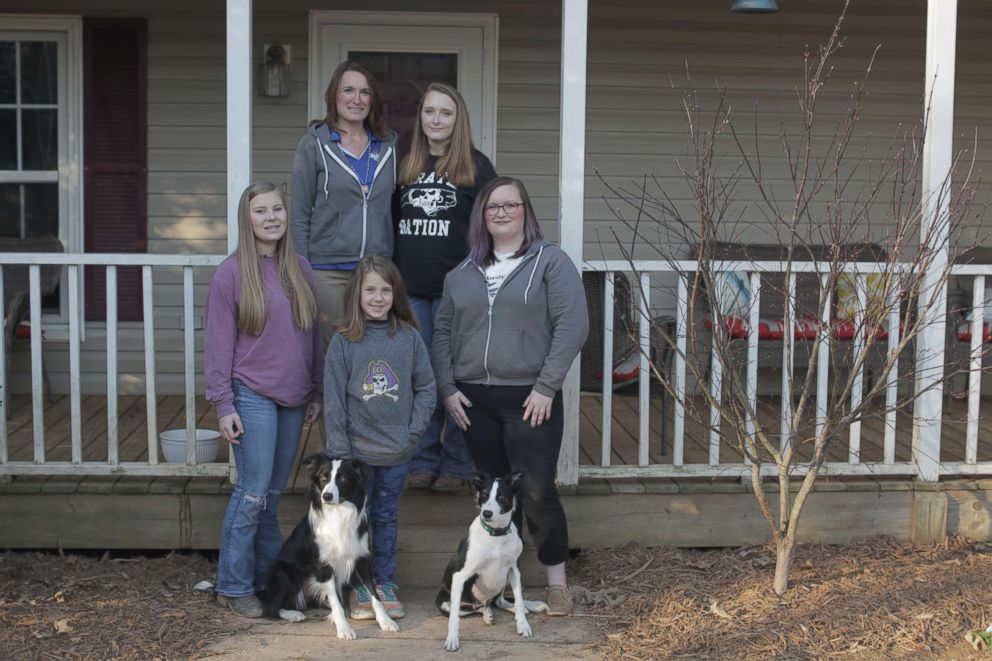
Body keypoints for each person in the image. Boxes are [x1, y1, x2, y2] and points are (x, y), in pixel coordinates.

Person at [432, 176, 589, 616]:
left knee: (537, 490)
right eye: (492, 207)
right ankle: (499, 587)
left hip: (529, 399)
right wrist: (447, 388)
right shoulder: (461, 273)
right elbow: (442, 332)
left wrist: (546, 386)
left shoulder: (550, 262)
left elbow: (572, 327)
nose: (502, 213)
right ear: (481, 217)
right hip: (473, 400)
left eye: (510, 205)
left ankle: (557, 581)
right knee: (493, 495)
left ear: (525, 211)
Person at [205, 181, 323, 618]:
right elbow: (217, 346)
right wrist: (223, 404)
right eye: (260, 211)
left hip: (294, 397)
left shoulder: (300, 269)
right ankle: (233, 586)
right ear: (247, 219)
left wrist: (316, 390)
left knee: (272, 496)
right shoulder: (231, 274)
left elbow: (312, 339)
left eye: (277, 209)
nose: (271, 217)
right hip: (250, 393)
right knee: (252, 495)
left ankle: (267, 583)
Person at [394, 82, 497, 492]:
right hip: (410, 291)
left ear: (458, 120)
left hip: (459, 292)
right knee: (420, 377)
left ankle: (457, 463)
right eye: (430, 112)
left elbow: (494, 224)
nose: (436, 120)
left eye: (446, 113)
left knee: (456, 377)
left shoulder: (476, 166)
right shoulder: (404, 164)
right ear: (421, 118)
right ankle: (421, 460)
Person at [324, 254, 436, 621]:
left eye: (385, 290)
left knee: (385, 518)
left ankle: (384, 583)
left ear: (396, 294)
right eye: (370, 289)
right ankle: (359, 585)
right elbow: (334, 399)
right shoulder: (343, 342)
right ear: (357, 293)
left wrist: (413, 432)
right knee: (356, 521)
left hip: (396, 451)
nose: (377, 297)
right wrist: (340, 452)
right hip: (355, 455)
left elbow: (427, 387)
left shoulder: (408, 338)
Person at [291, 60, 398, 343]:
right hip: (328, 271)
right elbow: (299, 213)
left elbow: (395, 209)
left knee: (373, 351)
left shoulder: (388, 145)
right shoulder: (314, 143)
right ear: (333, 95)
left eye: (364, 92)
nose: (357, 99)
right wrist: (303, 269)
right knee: (334, 352)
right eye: (348, 90)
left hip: (376, 272)